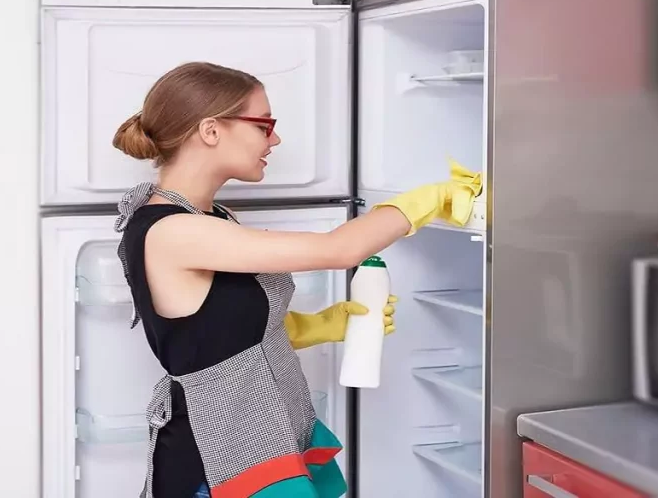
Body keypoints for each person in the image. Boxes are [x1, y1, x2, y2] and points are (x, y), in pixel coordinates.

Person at [112, 61, 481, 498]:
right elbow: (338, 250)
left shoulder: (210, 218)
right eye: (264, 125)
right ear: (211, 130)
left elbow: (216, 332)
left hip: (257, 430)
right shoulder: (175, 230)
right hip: (213, 453)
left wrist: (318, 326)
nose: (275, 139)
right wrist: (429, 200)